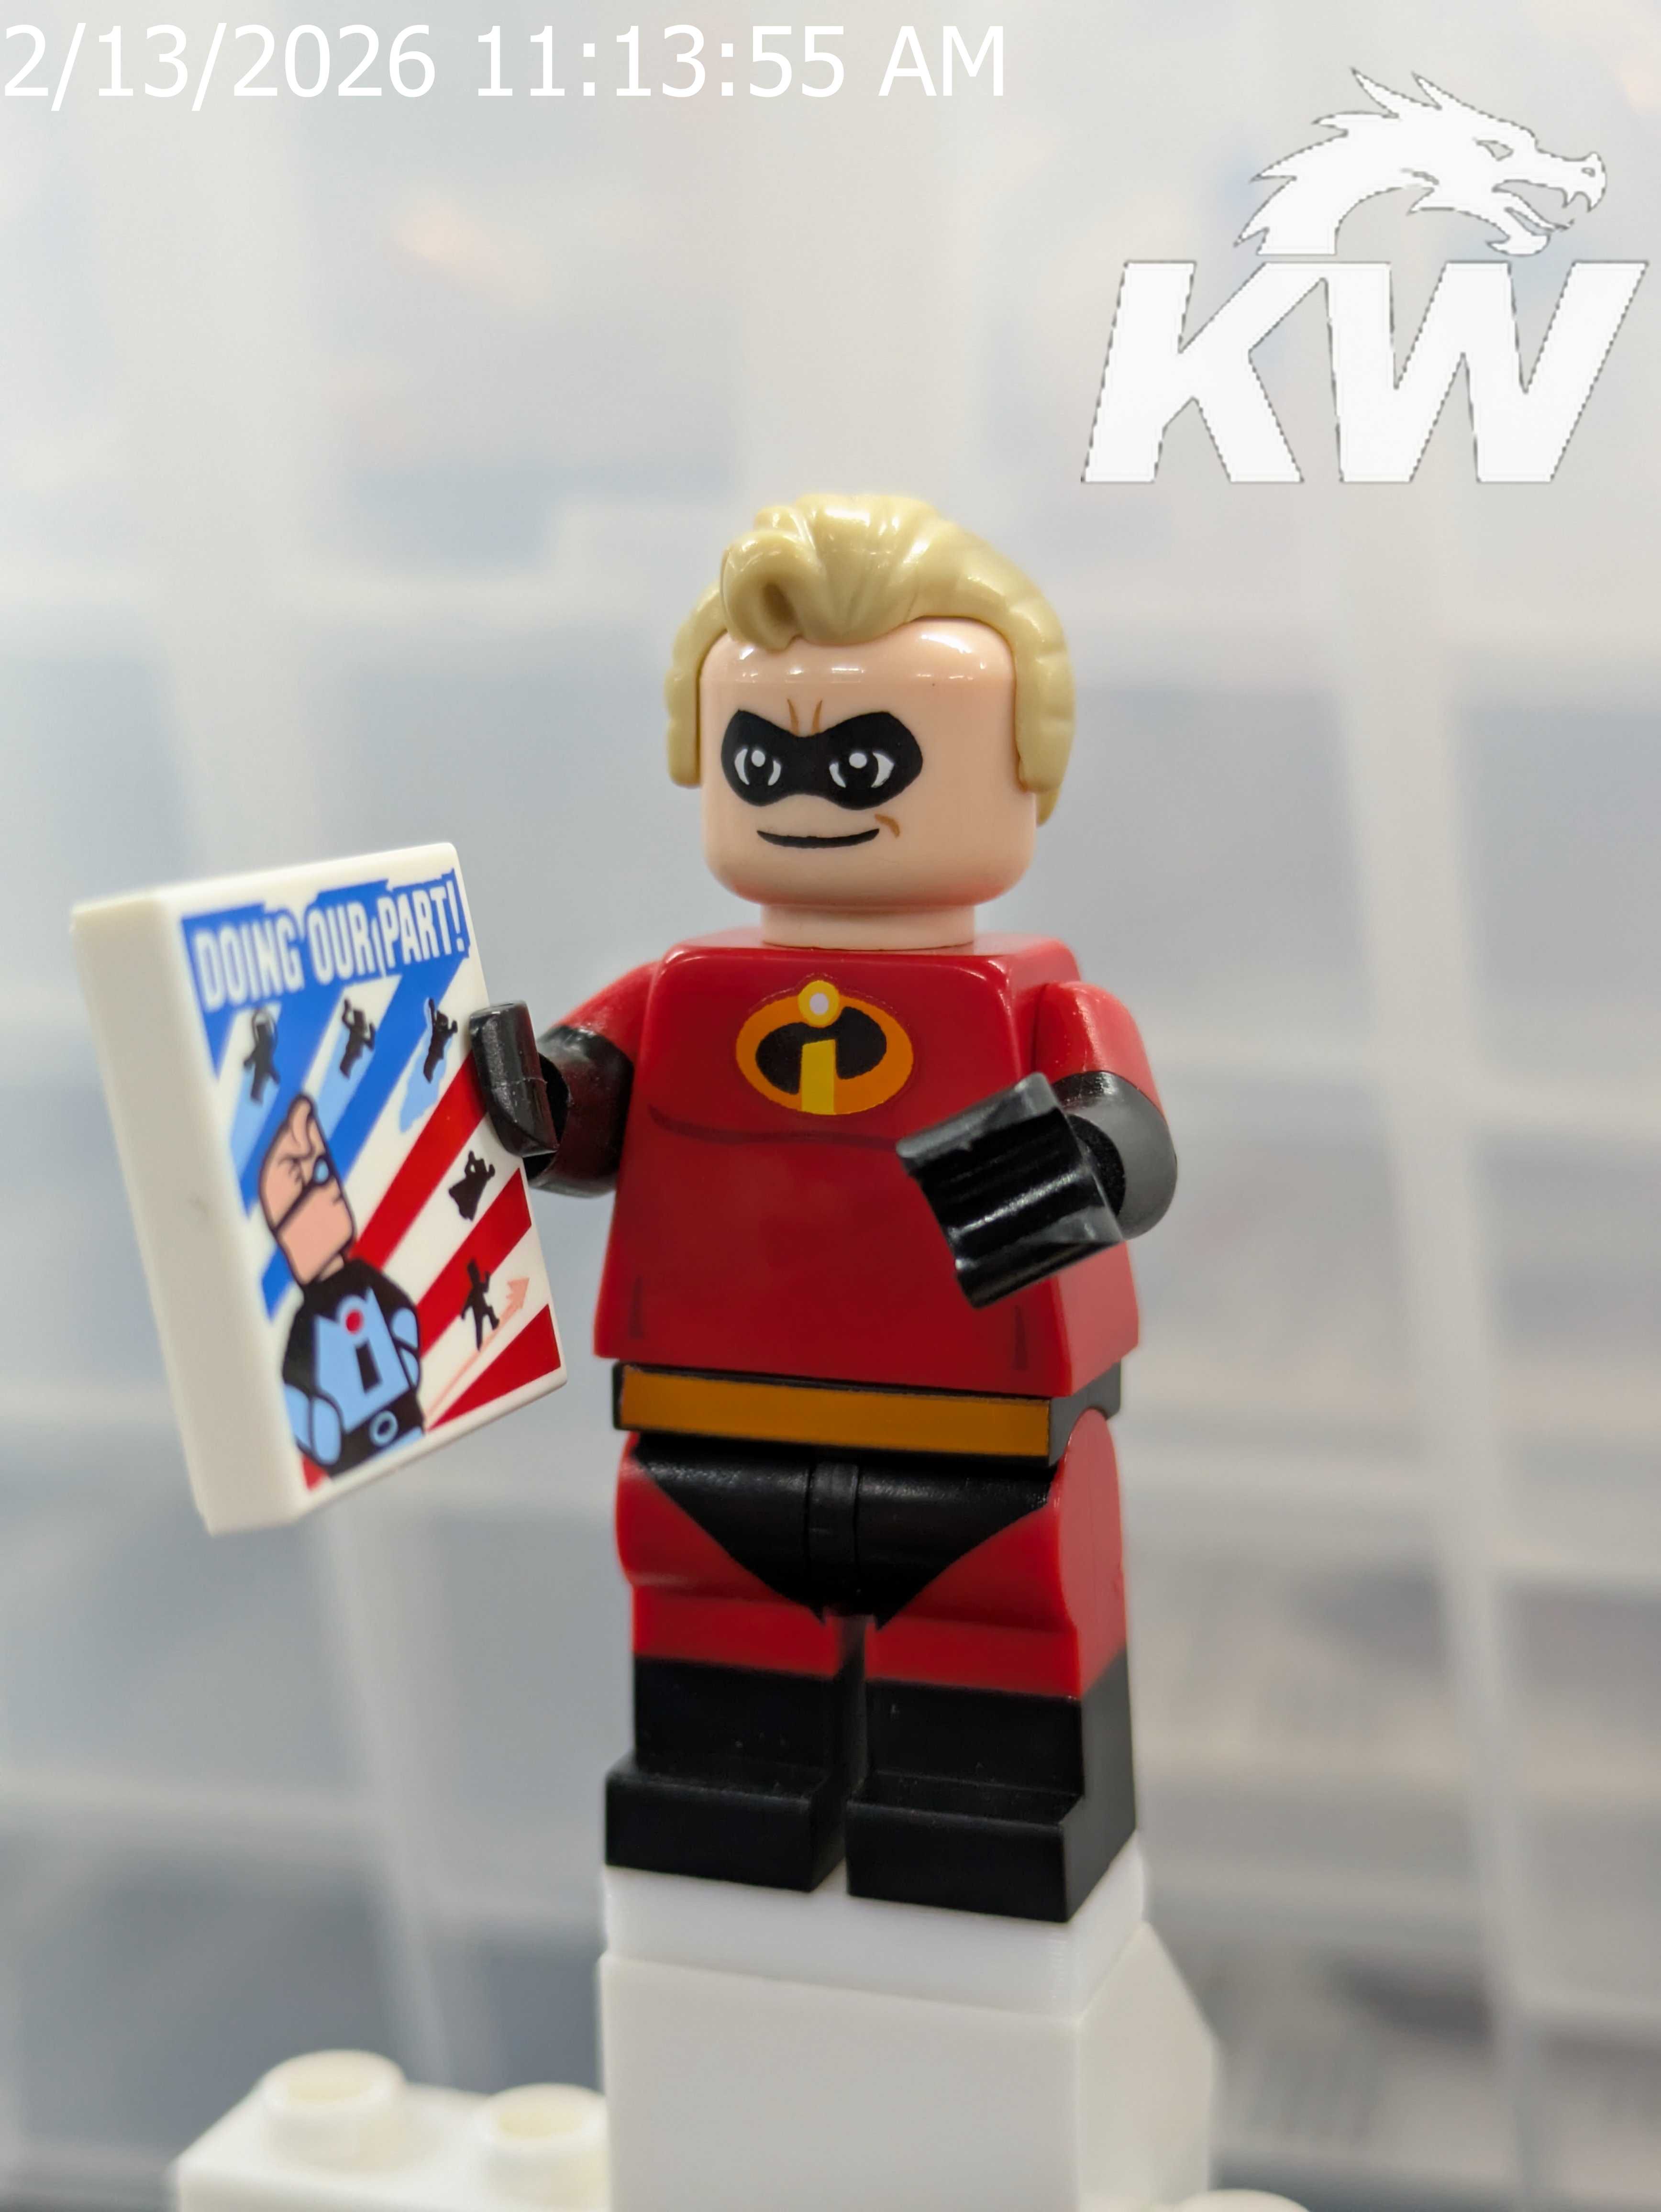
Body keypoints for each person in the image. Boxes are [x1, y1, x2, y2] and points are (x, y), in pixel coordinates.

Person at [470, 495, 1175, 1923]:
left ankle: (991, 1797)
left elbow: (1131, 1145)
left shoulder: (1033, 1004)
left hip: (978, 1436)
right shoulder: (677, 995)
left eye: (861, 761)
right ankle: (727, 1781)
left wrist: (1079, 1166)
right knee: (716, 1621)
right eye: (761, 757)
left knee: (995, 1632)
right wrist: (526, 1099)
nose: (808, 792)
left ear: (1020, 771)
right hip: (706, 1419)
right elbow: (587, 1111)